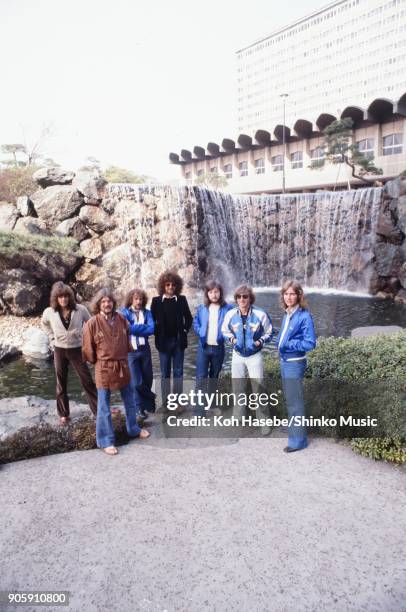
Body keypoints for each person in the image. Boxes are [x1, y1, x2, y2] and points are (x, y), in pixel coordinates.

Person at [82, 288, 150, 456]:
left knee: (130, 399)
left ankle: (133, 428)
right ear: (98, 304)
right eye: (103, 302)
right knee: (104, 405)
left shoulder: (121, 319)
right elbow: (88, 350)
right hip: (103, 367)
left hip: (122, 364)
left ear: (113, 303)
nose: (107, 304)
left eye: (109, 301)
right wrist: (96, 361)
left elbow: (127, 337)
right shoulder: (92, 323)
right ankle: (105, 440)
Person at [41, 281, 97, 425]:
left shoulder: (80, 309)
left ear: (70, 297)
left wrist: (86, 339)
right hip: (59, 350)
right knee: (61, 382)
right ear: (56, 298)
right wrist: (51, 337)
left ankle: (98, 410)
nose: (64, 299)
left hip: (77, 349)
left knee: (87, 380)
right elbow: (44, 323)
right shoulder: (50, 312)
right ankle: (64, 414)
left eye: (66, 296)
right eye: (60, 297)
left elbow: (91, 325)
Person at [222, 285, 273, 425]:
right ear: (236, 299)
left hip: (254, 355)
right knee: (237, 387)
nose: (242, 299)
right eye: (239, 297)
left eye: (245, 296)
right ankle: (238, 417)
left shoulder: (261, 314)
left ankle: (263, 422)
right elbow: (224, 330)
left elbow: (269, 332)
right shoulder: (230, 314)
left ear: (250, 298)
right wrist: (232, 340)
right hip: (237, 354)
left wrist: (260, 342)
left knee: (259, 388)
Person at [277, 280, 316, 453]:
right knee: (291, 400)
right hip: (285, 362)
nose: (289, 297)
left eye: (292, 294)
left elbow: (310, 343)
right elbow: (284, 337)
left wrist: (288, 344)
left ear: (299, 295)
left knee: (295, 403)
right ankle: (296, 432)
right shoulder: (288, 313)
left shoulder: (304, 315)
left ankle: (298, 441)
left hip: (294, 363)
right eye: (286, 294)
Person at [150, 270, 193, 410]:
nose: (170, 287)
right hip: (163, 342)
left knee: (179, 372)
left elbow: (189, 318)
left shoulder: (182, 299)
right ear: (163, 286)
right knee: (164, 373)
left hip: (178, 341)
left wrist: (185, 331)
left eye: (173, 285)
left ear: (177, 286)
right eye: (167, 285)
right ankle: (167, 403)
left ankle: (178, 402)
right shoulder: (156, 301)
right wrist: (156, 333)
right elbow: (151, 320)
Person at [193, 281, 232, 413]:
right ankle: (199, 411)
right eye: (210, 292)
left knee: (214, 377)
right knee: (201, 378)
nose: (213, 295)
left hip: (218, 348)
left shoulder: (228, 308)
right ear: (207, 294)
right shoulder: (202, 308)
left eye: (216, 291)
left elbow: (234, 323)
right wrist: (200, 332)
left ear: (220, 293)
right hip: (203, 348)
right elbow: (196, 323)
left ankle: (212, 405)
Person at [119, 288, 155, 420]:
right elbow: (124, 329)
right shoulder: (124, 313)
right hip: (131, 351)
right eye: (136, 299)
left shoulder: (148, 313)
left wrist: (132, 328)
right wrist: (142, 328)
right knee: (136, 382)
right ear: (131, 300)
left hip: (145, 349)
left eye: (140, 299)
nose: (138, 301)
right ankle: (140, 407)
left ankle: (148, 404)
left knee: (148, 378)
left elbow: (152, 329)